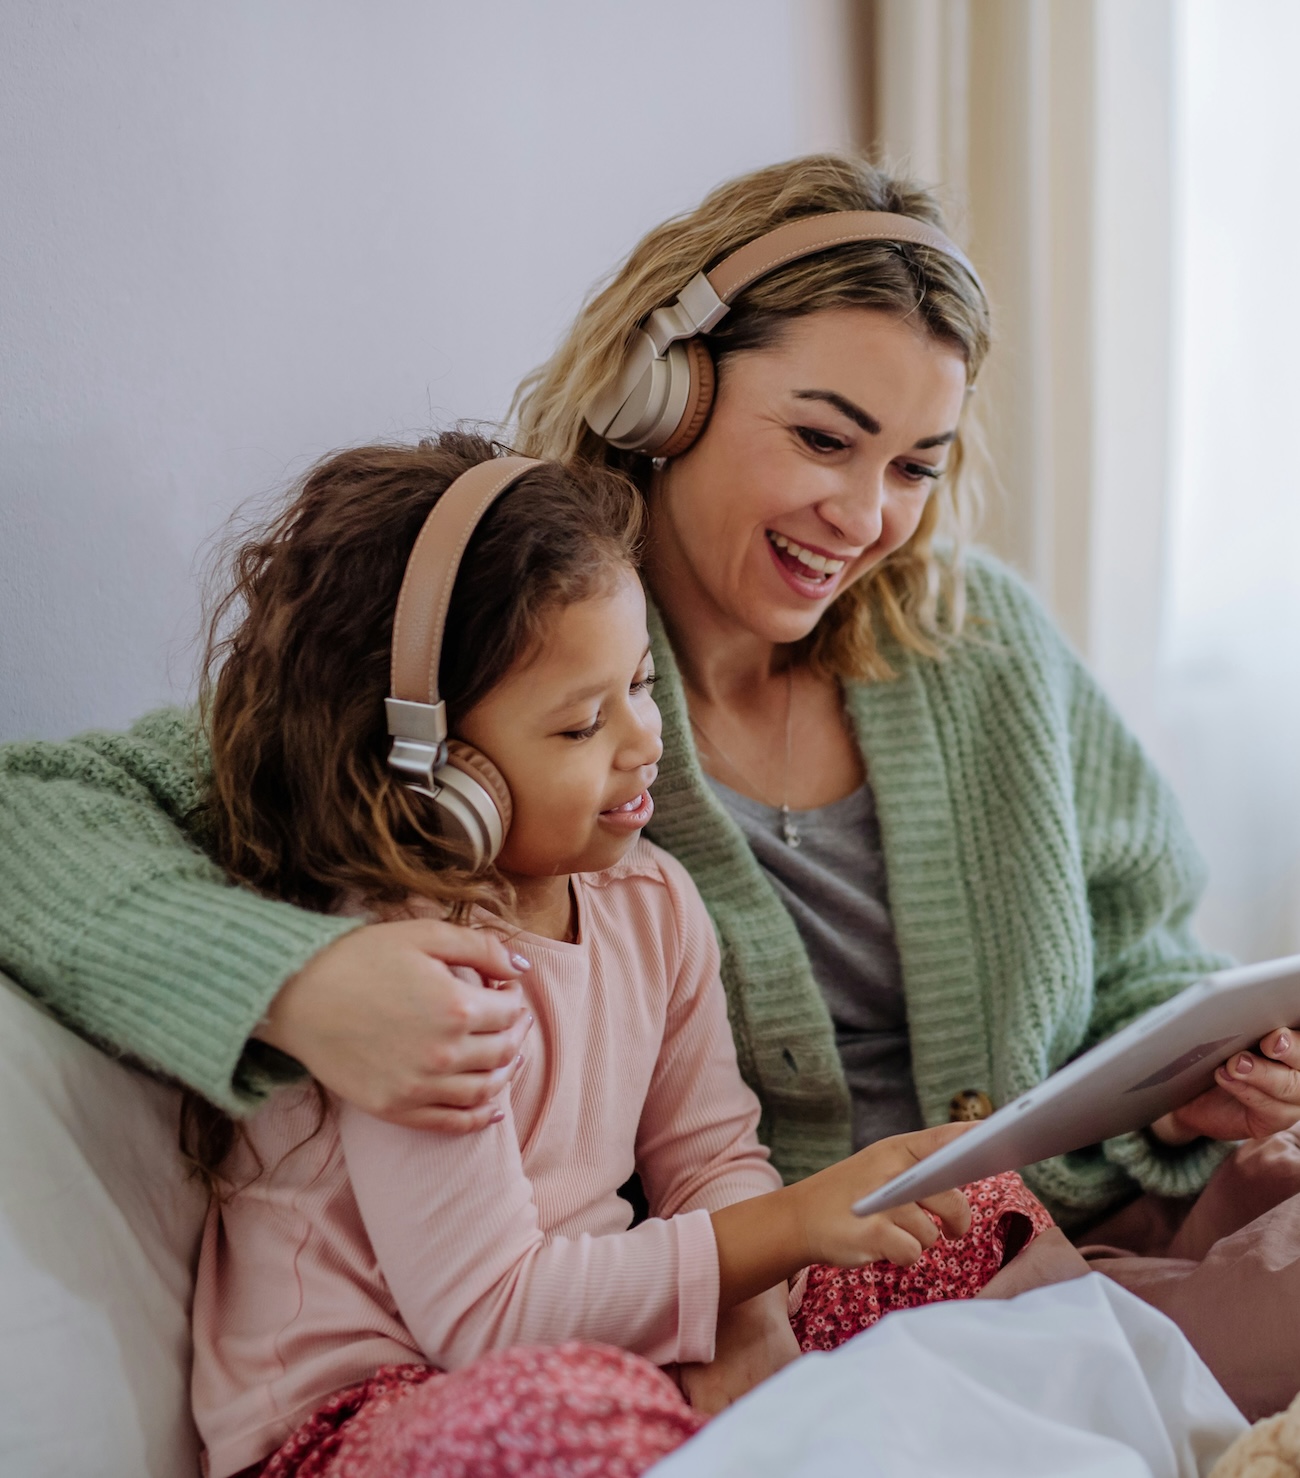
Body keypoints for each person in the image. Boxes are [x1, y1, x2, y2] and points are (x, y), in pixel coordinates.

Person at [2, 154, 1298, 1412]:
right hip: (785, 1297)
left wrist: (1199, 1073)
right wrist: (301, 984)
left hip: (1058, 1228)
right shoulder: (501, 651)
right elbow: (34, 813)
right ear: (659, 394)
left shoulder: (984, 642)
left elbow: (1139, 955)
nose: (865, 515)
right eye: (824, 438)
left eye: (914, 465)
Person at [186, 432, 1050, 1478]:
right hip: (378, 1411)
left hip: (598, 1340)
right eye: (580, 724)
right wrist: (778, 1233)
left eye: (641, 684)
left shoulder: (652, 900)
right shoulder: (407, 978)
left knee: (979, 1212)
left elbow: (711, 1156)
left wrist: (751, 1319)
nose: (643, 741)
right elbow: (488, 1314)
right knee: (583, 1412)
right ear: (432, 769)